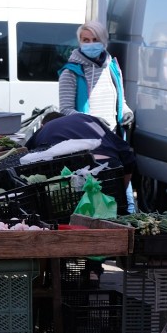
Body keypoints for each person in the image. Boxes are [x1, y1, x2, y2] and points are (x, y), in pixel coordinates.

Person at [58, 19, 135, 212]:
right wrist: (91, 121)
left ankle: (128, 223)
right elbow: (65, 110)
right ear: (80, 42)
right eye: (86, 39)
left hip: (112, 137)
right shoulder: (71, 72)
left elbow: (121, 100)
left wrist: (126, 112)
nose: (90, 43)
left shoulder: (112, 67)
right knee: (96, 191)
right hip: (87, 142)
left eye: (95, 39)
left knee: (123, 190)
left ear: (104, 41)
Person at [25, 111, 136, 192]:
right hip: (109, 167)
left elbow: (24, 158)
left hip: (77, 176)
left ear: (42, 125)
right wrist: (122, 191)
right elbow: (127, 154)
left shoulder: (44, 129)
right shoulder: (88, 119)